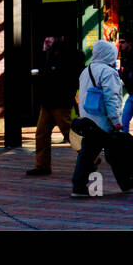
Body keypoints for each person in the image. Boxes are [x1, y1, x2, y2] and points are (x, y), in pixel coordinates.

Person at [70, 39, 133, 197]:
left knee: (88, 153)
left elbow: (81, 96)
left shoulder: (86, 70)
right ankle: (127, 183)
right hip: (103, 121)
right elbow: (112, 98)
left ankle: (78, 185)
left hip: (88, 120)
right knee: (116, 154)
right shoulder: (108, 72)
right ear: (109, 54)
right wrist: (116, 120)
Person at [26, 36, 81, 177]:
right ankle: (42, 165)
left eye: (49, 40)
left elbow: (66, 79)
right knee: (41, 134)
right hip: (47, 102)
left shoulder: (66, 57)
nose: (47, 42)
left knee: (69, 133)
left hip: (59, 103)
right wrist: (44, 51)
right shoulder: (49, 56)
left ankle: (91, 157)